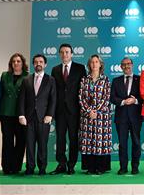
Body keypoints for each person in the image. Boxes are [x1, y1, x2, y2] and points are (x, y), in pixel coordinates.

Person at [50, 43, 86, 175]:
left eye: (67, 52)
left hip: (75, 111)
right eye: (62, 52)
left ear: (71, 54)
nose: (64, 54)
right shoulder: (55, 69)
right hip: (59, 111)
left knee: (73, 138)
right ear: (59, 54)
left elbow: (83, 90)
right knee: (60, 138)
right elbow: (52, 92)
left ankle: (71, 165)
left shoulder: (80, 68)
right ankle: (61, 164)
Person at [18, 54, 56, 175]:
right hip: (28, 118)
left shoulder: (50, 80)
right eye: (36, 62)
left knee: (42, 144)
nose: (38, 64)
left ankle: (42, 168)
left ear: (45, 64)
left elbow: (53, 99)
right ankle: (29, 167)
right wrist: (21, 115)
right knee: (29, 145)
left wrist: (50, 115)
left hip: (44, 118)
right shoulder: (26, 80)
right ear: (33, 64)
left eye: (41, 62)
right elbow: (21, 99)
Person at [78, 54, 112, 175]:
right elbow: (81, 98)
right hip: (87, 117)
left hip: (101, 117)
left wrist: (96, 111)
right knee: (89, 142)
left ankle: (101, 167)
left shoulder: (105, 79)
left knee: (100, 141)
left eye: (96, 62)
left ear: (100, 64)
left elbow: (106, 98)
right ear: (89, 65)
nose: (94, 64)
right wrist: (89, 111)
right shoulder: (84, 79)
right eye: (92, 62)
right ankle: (90, 167)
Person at [111, 57, 143, 175]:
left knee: (136, 142)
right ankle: (123, 167)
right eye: (124, 64)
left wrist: (135, 101)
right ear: (121, 67)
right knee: (122, 143)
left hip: (136, 116)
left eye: (128, 64)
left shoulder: (140, 79)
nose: (126, 66)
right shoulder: (116, 81)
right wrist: (124, 102)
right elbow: (112, 98)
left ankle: (135, 167)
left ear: (132, 65)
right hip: (121, 117)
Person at [0, 53, 29, 175]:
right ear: (11, 64)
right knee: (7, 141)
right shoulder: (5, 75)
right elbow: (0, 94)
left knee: (21, 141)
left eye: (18, 61)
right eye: (14, 61)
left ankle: (16, 166)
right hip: (6, 113)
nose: (16, 63)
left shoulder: (28, 76)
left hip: (21, 114)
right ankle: (6, 167)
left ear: (23, 63)